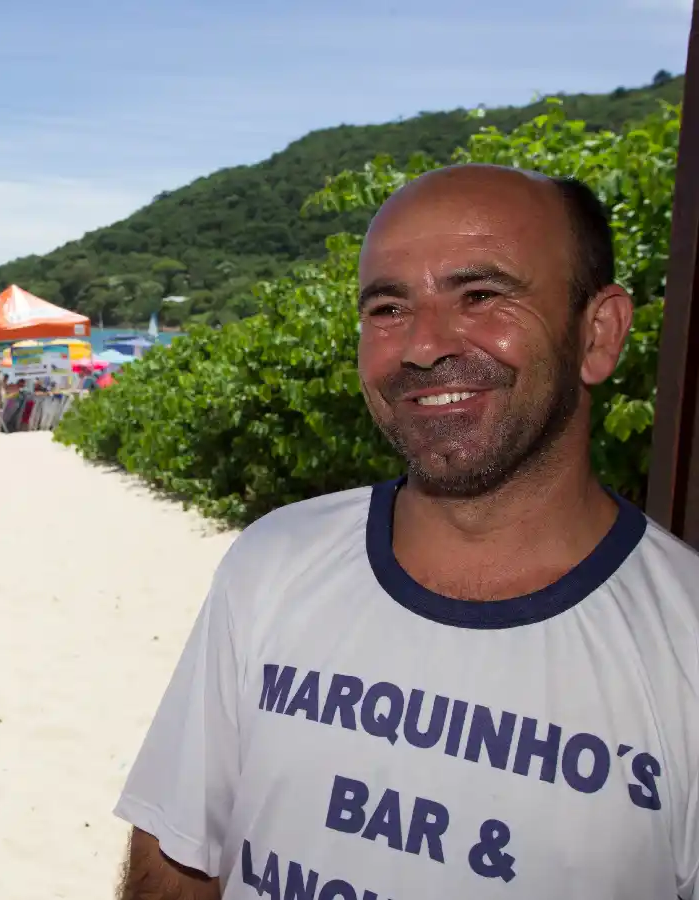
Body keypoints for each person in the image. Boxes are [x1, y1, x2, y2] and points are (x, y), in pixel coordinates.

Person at [113, 166, 699, 900]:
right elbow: (176, 855)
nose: (422, 346)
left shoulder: (685, 646)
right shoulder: (271, 564)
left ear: (599, 332)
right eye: (388, 308)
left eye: (481, 295)